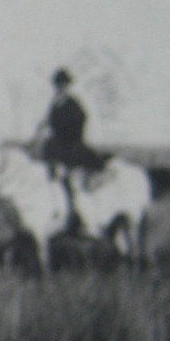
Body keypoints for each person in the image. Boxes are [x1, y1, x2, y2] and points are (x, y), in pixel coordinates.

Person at [31, 68, 103, 229]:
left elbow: (79, 123)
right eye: (57, 85)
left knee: (71, 180)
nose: (59, 88)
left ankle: (77, 214)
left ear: (67, 86)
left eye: (63, 85)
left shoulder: (74, 105)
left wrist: (62, 135)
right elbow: (48, 122)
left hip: (71, 146)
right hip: (56, 145)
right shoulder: (54, 103)